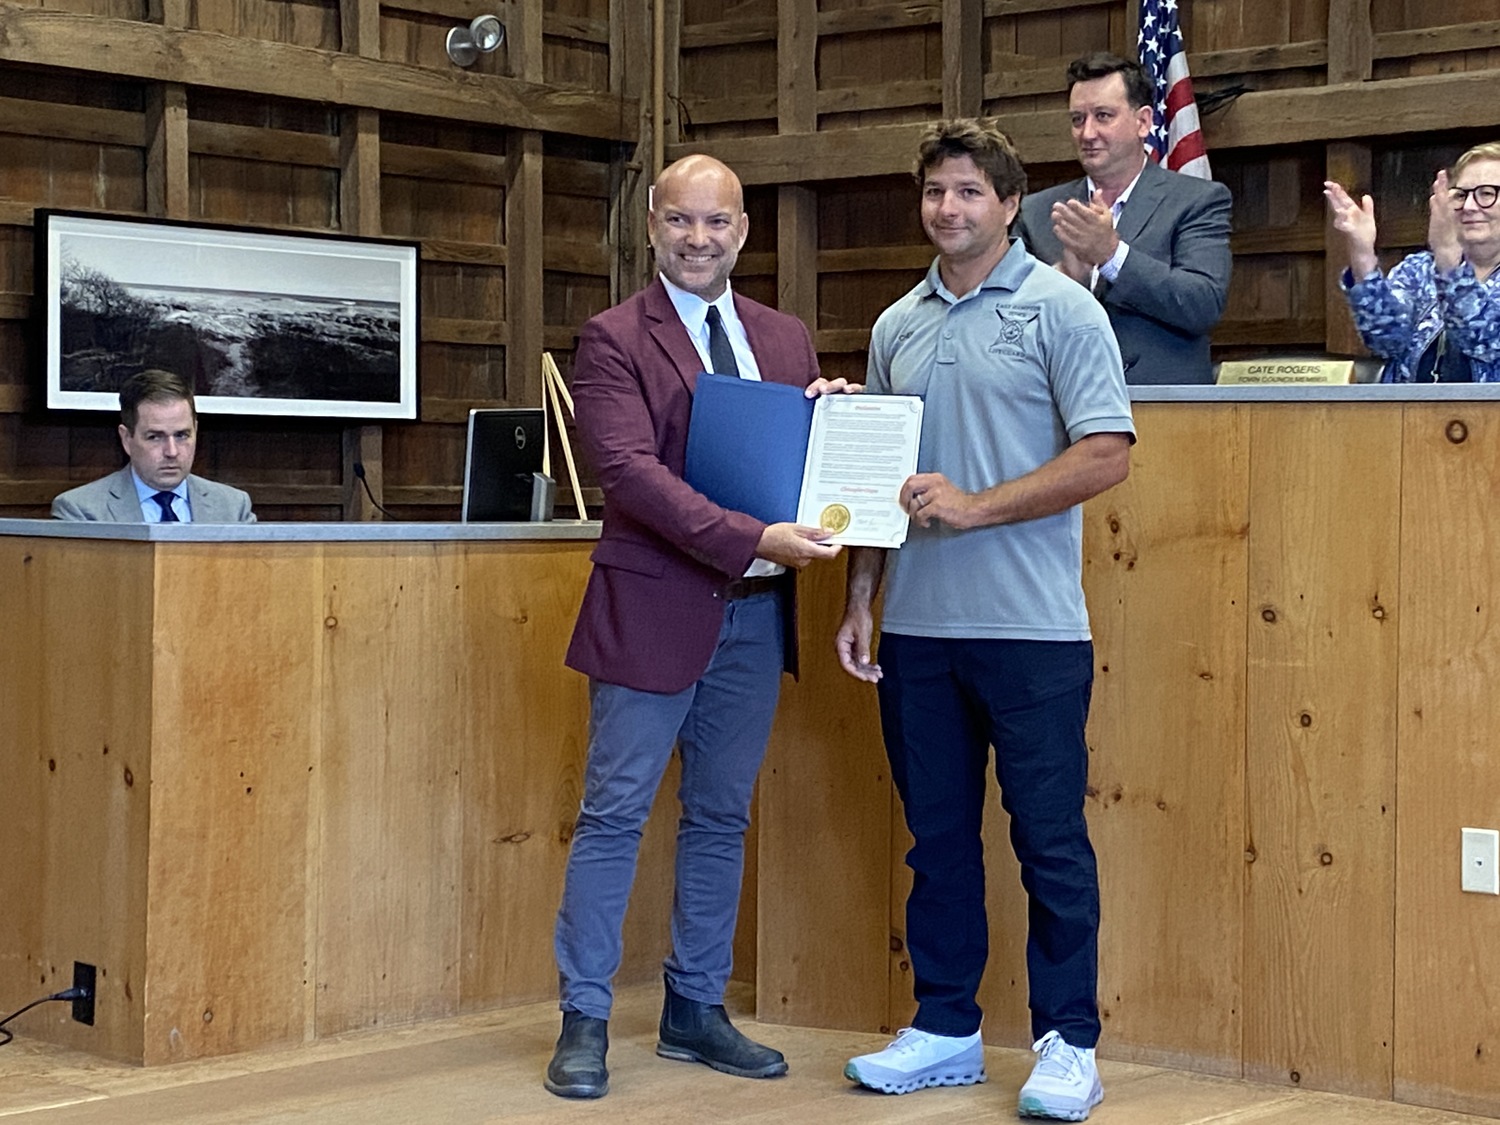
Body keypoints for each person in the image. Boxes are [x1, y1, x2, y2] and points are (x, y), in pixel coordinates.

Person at [835, 119, 1134, 1122]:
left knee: (1050, 842)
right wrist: (861, 598)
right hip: (918, 633)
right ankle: (947, 1026)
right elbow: (875, 482)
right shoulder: (894, 327)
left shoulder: (1062, 311)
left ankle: (1068, 1042)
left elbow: (1105, 455)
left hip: (1035, 634)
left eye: (969, 192)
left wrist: (975, 505)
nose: (949, 209)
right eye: (934, 193)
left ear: (1011, 206)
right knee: (937, 844)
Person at [546, 153, 853, 1100]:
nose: (698, 239)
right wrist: (748, 534)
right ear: (651, 222)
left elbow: (804, 467)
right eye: (680, 220)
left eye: (716, 222)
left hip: (757, 616)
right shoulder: (611, 338)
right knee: (615, 816)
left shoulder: (784, 337)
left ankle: (694, 1009)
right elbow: (631, 478)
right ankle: (584, 1019)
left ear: (744, 229)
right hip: (652, 606)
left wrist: (834, 430)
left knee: (720, 816)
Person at [1014, 52, 1232, 385]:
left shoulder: (1197, 201)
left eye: (1103, 116)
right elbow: (1007, 319)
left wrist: (1112, 256)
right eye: (1077, 119)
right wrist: (1063, 280)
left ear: (1143, 122)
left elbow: (1201, 304)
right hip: (1055, 410)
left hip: (1164, 413)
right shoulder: (1036, 212)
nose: (1087, 133)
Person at [1325, 142, 1500, 383]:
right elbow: (1385, 341)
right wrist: (1363, 256)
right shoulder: (1418, 270)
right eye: (1461, 195)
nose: (1469, 207)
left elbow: (1486, 342)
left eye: (1487, 194)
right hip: (1408, 417)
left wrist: (1448, 261)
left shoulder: (1443, 259)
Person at [51, 369, 255, 523]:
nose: (172, 452)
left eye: (182, 435)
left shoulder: (233, 508)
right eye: (155, 437)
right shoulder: (81, 512)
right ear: (126, 439)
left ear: (196, 431)